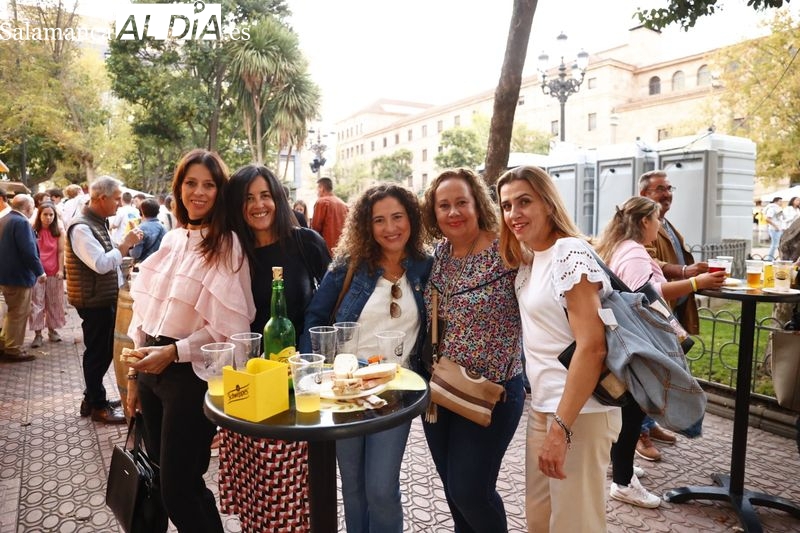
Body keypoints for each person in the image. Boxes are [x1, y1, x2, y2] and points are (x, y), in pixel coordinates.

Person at [125, 149, 255, 532]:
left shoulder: (227, 245)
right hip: (150, 368)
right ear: (179, 188)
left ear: (220, 191)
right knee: (166, 479)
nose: (199, 192)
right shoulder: (171, 239)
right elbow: (144, 310)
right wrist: (134, 379)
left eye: (209, 185)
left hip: (189, 376)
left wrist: (175, 352)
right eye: (191, 183)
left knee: (180, 488)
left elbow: (230, 330)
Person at [496, 165, 622, 533]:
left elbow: (593, 347)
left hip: (580, 412)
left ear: (548, 204)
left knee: (574, 525)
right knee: (540, 521)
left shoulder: (569, 252)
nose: (514, 214)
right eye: (506, 206)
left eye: (524, 202)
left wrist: (561, 429)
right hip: (544, 407)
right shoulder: (532, 260)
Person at [300, 183, 432, 533]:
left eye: (397, 217)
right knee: (353, 485)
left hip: (395, 391)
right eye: (379, 220)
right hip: (344, 390)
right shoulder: (349, 265)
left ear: (412, 219)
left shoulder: (425, 267)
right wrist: (307, 375)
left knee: (381, 488)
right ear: (366, 225)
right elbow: (316, 318)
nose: (390, 228)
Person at [219, 164, 330, 532]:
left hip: (302, 384)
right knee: (258, 483)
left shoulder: (306, 242)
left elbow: (332, 301)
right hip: (251, 385)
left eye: (265, 195)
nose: (258, 204)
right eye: (249, 198)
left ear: (278, 198)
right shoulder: (231, 251)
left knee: (301, 487)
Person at [595, 196, 725, 509]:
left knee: (625, 410)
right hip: (639, 340)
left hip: (624, 338)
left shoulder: (620, 247)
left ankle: (622, 469)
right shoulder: (635, 251)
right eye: (656, 220)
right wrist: (696, 282)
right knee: (633, 410)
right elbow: (646, 293)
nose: (659, 226)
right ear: (644, 222)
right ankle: (623, 482)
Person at [420, 168, 524, 532]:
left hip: (491, 392)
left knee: (471, 491)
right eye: (443, 205)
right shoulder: (440, 254)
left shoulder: (508, 250)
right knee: (453, 490)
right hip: (440, 392)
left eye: (461, 202)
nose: (453, 212)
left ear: (477, 204)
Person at [66, 177, 143, 424]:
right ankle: (97, 406)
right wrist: (124, 246)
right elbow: (100, 264)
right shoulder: (82, 227)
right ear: (102, 199)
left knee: (102, 350)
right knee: (97, 353)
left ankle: (92, 398)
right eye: (117, 198)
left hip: (102, 297)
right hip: (93, 300)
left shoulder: (97, 222)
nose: (120, 204)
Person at [638, 169, 700, 460]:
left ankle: (649, 425)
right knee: (646, 376)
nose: (667, 194)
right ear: (644, 195)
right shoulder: (640, 224)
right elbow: (652, 261)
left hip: (669, 311)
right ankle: (639, 435)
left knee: (659, 374)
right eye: (659, 189)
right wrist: (690, 276)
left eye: (669, 188)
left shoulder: (666, 222)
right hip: (652, 314)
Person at [0, 194, 44, 362]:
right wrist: (40, 272)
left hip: (6, 274)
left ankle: (6, 343)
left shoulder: (5, 219)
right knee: (18, 313)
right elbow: (28, 251)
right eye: (33, 206)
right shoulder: (22, 222)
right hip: (18, 276)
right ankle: (13, 349)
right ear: (28, 207)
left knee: (11, 313)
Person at [28, 201, 67, 348]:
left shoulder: (59, 231)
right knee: (37, 304)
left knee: (54, 302)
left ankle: (52, 330)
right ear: (39, 215)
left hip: (54, 272)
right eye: (45, 214)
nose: (48, 217)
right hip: (37, 272)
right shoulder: (32, 230)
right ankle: (38, 334)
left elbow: (61, 251)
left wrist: (61, 270)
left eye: (51, 214)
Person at [311, 176, 348, 253]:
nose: (317, 191)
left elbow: (315, 227)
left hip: (326, 249)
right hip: (342, 249)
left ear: (322, 188)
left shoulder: (322, 202)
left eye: (317, 188)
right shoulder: (343, 204)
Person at [128, 198, 166, 263]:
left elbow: (136, 254)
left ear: (142, 211)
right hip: (159, 266)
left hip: (144, 266)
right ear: (158, 211)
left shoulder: (140, 229)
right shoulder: (164, 228)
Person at [763, 196, 787, 261]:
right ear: (776, 201)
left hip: (778, 229)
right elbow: (767, 219)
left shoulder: (778, 209)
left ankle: (773, 258)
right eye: (780, 201)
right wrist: (775, 226)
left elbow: (783, 218)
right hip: (774, 229)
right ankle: (769, 258)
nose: (781, 203)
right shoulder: (772, 208)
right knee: (774, 245)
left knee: (777, 244)